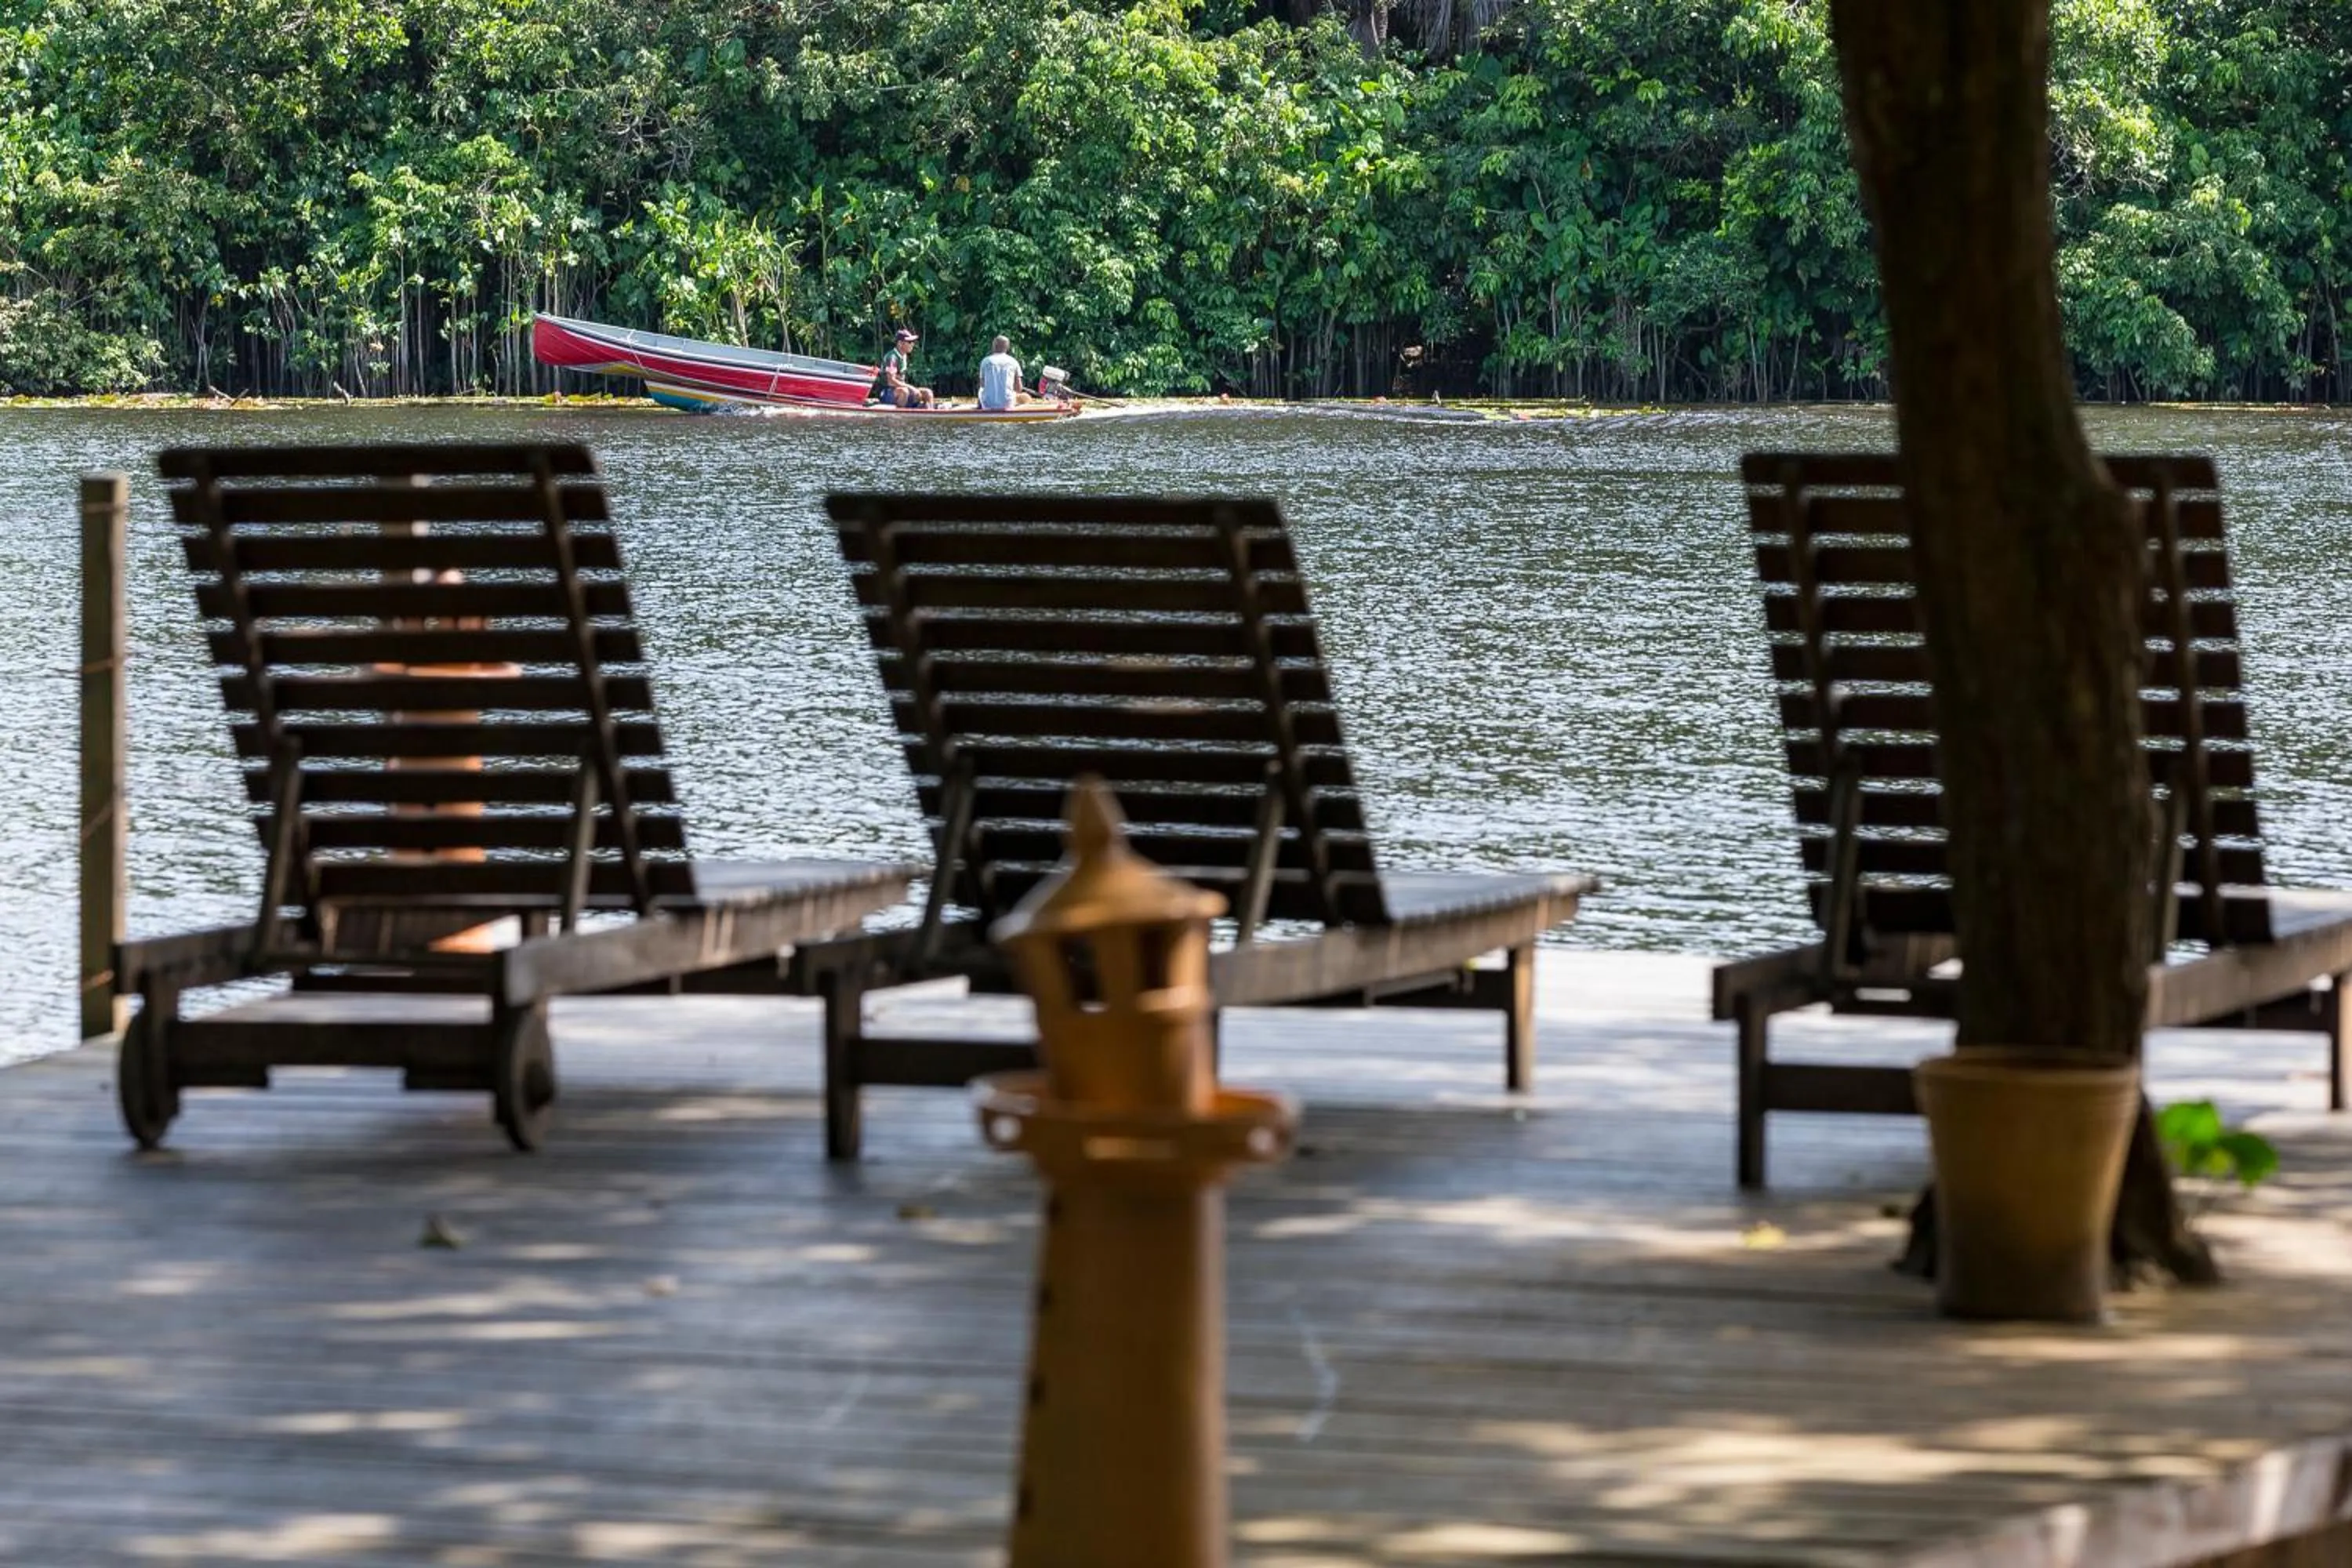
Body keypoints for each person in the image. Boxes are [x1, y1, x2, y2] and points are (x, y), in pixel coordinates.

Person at [875, 328, 935, 408]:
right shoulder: (892, 358)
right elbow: (891, 381)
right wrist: (910, 388)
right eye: (909, 342)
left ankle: (929, 414)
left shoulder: (904, 356)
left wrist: (911, 389)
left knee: (928, 393)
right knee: (904, 392)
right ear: (900, 343)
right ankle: (900, 418)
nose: (912, 344)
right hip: (887, 393)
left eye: (912, 342)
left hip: (901, 389)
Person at [977, 335, 1024, 411]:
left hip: (988, 405)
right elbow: (1019, 388)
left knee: (980, 390)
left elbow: (982, 385)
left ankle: (980, 407)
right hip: (1007, 404)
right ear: (1007, 348)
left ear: (994, 346)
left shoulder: (985, 362)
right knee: (1016, 394)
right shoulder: (1013, 362)